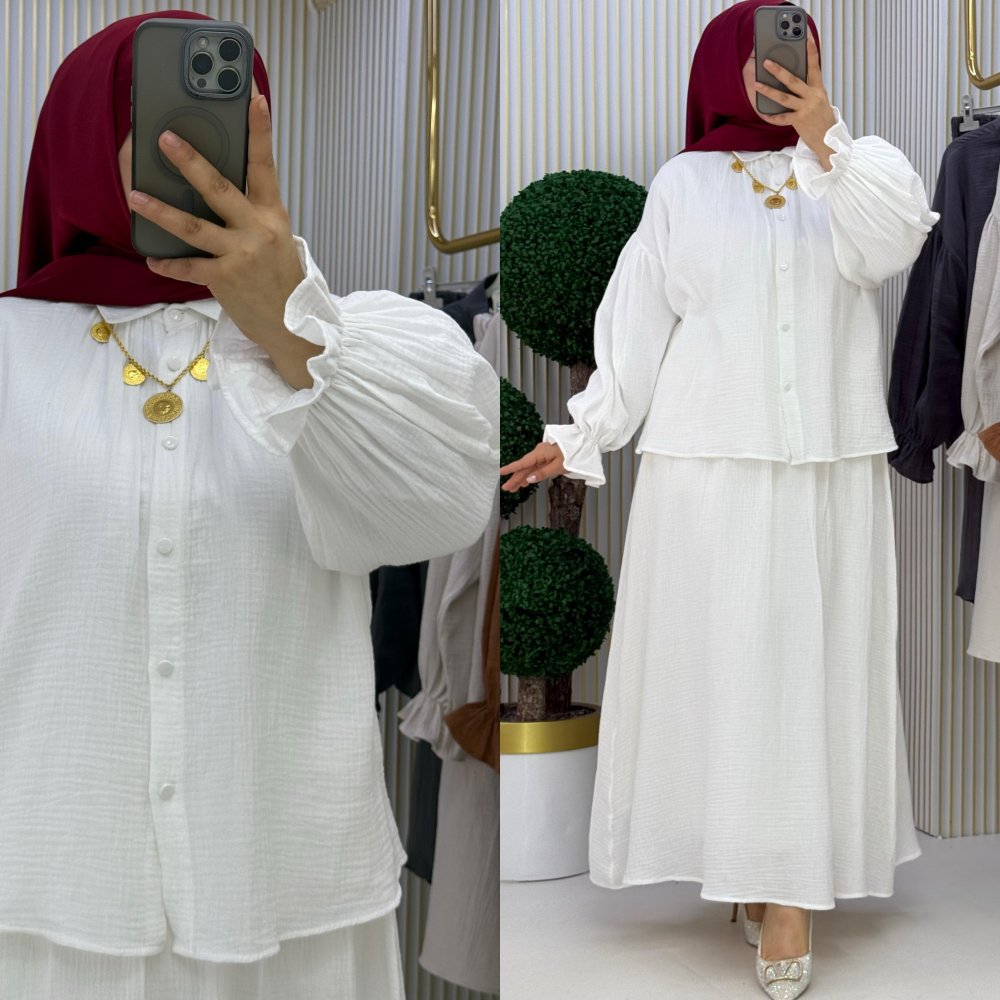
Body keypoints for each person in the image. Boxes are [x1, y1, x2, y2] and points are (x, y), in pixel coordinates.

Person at [0, 11, 498, 1000]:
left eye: (226, 114)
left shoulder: (360, 347)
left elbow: (440, 512)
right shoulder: (11, 356)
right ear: (80, 137)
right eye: (153, 110)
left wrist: (293, 329)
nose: (191, 144)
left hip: (288, 891)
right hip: (51, 886)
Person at [500, 2, 937, 997]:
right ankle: (746, 866)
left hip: (825, 472)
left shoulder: (859, 168)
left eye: (799, 53)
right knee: (725, 674)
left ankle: (789, 893)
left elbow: (892, 247)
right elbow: (637, 327)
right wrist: (579, 433)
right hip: (705, 474)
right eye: (763, 56)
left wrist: (824, 132)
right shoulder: (682, 185)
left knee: (808, 673)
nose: (780, 71)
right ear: (720, 69)